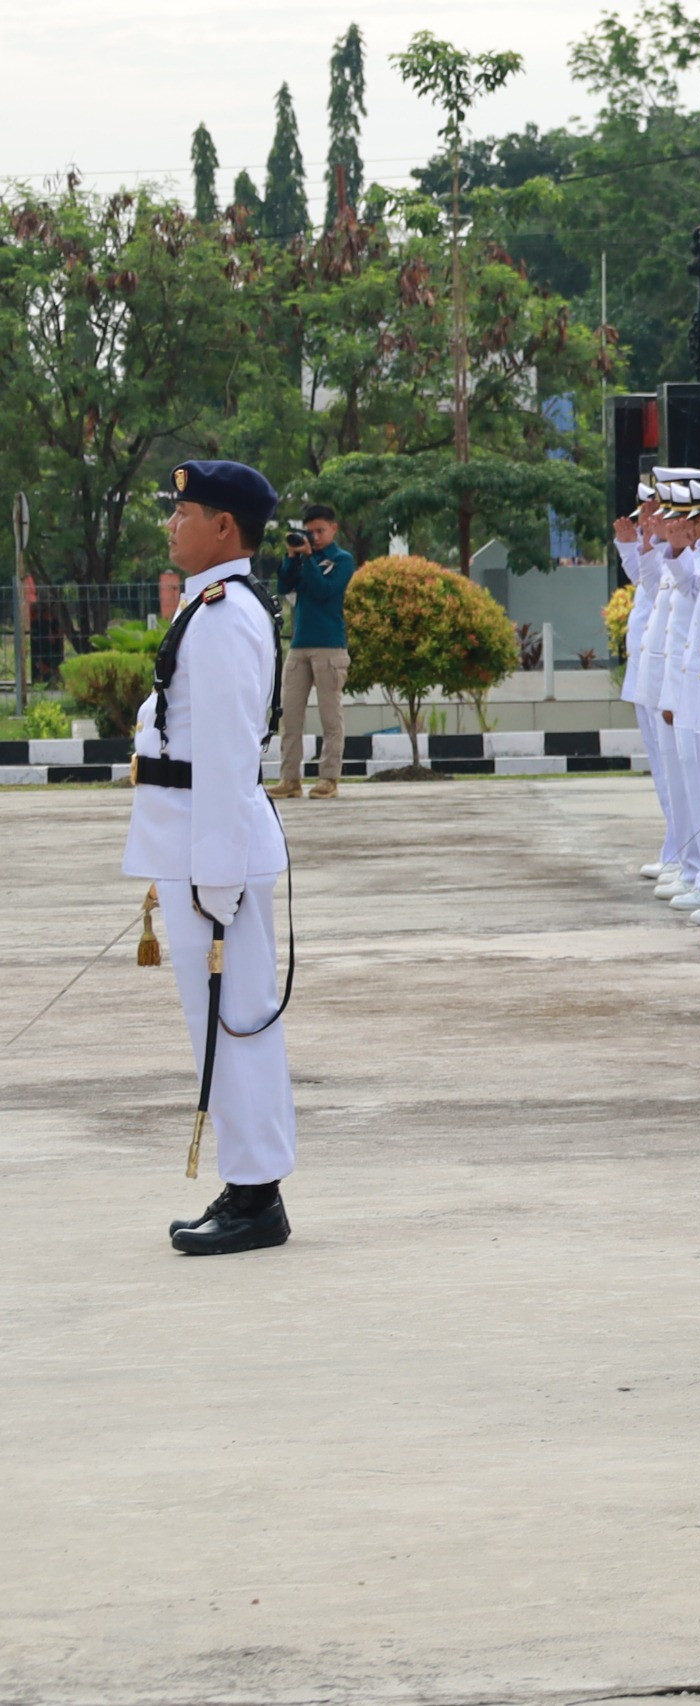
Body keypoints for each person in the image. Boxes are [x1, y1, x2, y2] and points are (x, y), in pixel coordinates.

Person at [133, 460, 296, 1256]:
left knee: (234, 1025)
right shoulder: (208, 606)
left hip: (214, 857)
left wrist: (217, 876)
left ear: (224, 527)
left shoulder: (227, 615)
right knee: (220, 1025)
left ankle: (257, 1194)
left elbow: (229, 756)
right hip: (199, 850)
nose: (172, 523)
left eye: (184, 510)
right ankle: (247, 1183)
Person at [270, 502, 358, 799]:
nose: (315, 537)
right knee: (290, 716)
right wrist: (291, 557)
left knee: (330, 716)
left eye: (320, 531)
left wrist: (307, 558)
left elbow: (324, 591)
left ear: (334, 528)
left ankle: (329, 779)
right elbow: (283, 585)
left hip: (330, 647)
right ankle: (290, 779)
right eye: (309, 532)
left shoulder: (342, 560)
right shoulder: (305, 557)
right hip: (299, 646)